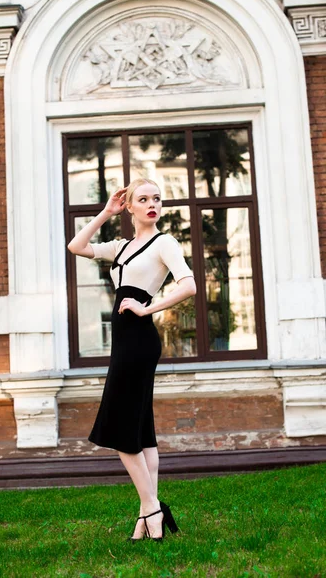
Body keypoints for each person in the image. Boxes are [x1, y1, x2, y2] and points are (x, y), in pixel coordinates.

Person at [67, 178, 196, 542]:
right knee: (141, 431)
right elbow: (77, 246)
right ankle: (148, 514)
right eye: (144, 199)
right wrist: (107, 212)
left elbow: (188, 284)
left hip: (139, 340)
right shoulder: (121, 247)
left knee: (122, 429)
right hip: (124, 342)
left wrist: (147, 308)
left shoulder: (164, 242)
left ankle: (152, 509)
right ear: (131, 206)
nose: (152, 204)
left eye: (157, 198)